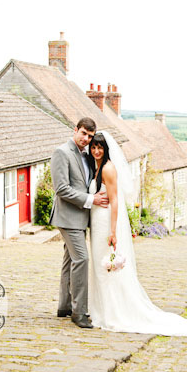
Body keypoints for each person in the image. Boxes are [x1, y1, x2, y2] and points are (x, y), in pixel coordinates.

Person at [87, 131, 187, 336]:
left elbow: (115, 200)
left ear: (106, 148)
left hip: (106, 221)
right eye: (93, 147)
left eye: (100, 147)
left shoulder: (108, 168)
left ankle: (111, 313)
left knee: (106, 267)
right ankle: (101, 309)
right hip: (97, 219)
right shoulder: (96, 166)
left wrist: (113, 231)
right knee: (99, 266)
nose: (96, 151)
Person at [49, 117, 109, 329]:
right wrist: (92, 200)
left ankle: (64, 306)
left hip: (80, 218)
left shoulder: (86, 156)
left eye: (90, 136)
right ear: (75, 130)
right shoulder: (62, 153)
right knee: (82, 260)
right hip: (67, 217)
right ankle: (79, 312)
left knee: (70, 261)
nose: (86, 139)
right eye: (83, 133)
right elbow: (62, 189)